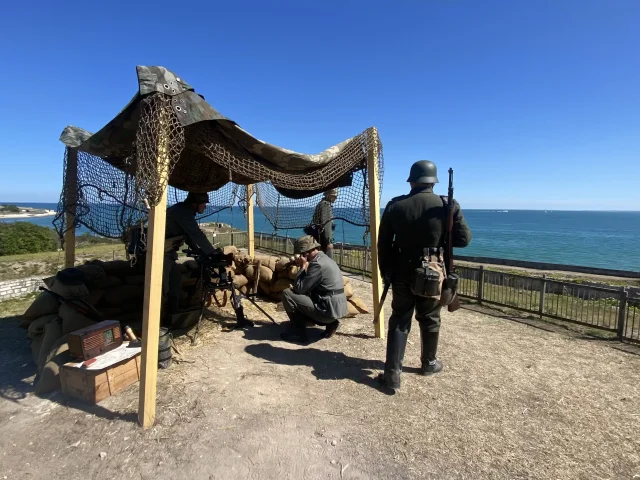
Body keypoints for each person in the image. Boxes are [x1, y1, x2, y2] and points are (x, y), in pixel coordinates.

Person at [376, 160, 472, 392]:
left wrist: (386, 272)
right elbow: (463, 240)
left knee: (400, 320)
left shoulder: (395, 205)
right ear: (433, 181)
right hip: (433, 271)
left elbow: (384, 245)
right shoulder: (446, 205)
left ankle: (392, 375)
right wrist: (449, 219)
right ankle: (429, 363)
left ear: (412, 180)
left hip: (401, 271)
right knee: (430, 318)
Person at [162, 191, 217, 326]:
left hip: (169, 253)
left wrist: (199, 251)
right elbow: (196, 234)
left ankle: (173, 313)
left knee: (175, 280)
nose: (205, 207)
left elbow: (189, 236)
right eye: (203, 204)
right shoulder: (182, 211)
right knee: (162, 287)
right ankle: (161, 320)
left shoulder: (184, 211)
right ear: (195, 203)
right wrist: (213, 253)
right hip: (159, 254)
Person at [280, 235, 348, 342]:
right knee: (308, 295)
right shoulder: (326, 259)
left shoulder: (317, 265)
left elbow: (299, 289)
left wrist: (302, 267)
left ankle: (299, 333)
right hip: (336, 307)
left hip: (327, 310)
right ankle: (331, 324)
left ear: (305, 253)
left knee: (288, 294)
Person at [310, 188, 338, 259]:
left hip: (319, 238)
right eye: (334, 196)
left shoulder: (320, 204)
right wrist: (329, 242)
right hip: (324, 240)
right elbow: (326, 224)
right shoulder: (326, 205)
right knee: (328, 262)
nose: (335, 198)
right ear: (329, 196)